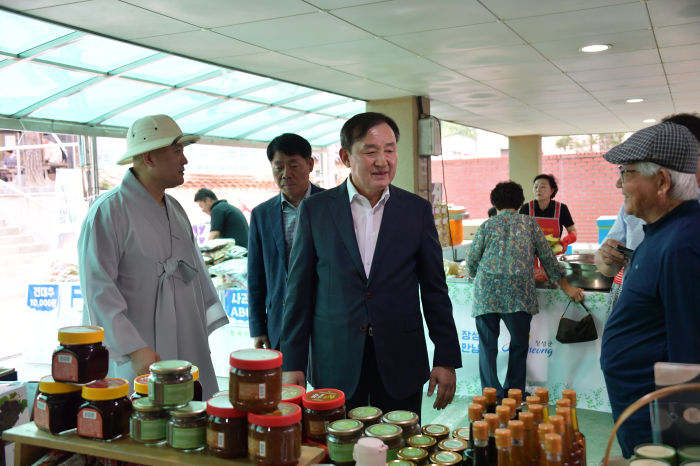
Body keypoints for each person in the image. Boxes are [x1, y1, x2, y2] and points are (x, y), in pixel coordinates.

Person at [280, 112, 462, 416]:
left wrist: (445, 357)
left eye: (390, 150)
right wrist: (293, 363)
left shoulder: (415, 211)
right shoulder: (316, 211)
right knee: (338, 450)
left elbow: (434, 290)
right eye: (370, 151)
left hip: (400, 358)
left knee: (399, 452)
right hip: (335, 360)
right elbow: (298, 293)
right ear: (345, 156)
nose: (382, 161)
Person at [78, 114, 228, 399]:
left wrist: (198, 328)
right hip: (138, 355)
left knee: (191, 421)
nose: (184, 161)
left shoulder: (176, 209)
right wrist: (133, 348)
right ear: (148, 158)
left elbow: (194, 273)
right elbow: (98, 290)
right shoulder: (108, 212)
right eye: (177, 152)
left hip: (185, 339)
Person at [599, 121, 700, 457]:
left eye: (627, 173)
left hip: (659, 424)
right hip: (639, 408)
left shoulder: (682, 244)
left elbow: (689, 352)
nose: (619, 183)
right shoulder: (661, 233)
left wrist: (682, 447)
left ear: (661, 182)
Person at [467, 181, 584, 399]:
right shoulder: (529, 224)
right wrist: (566, 287)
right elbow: (549, 259)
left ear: (495, 203)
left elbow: (472, 262)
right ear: (520, 203)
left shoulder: (487, 225)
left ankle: (491, 395)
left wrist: (477, 273)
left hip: (487, 294)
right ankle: (514, 395)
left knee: (487, 346)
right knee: (519, 345)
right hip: (519, 294)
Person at [595, 113, 700, 314]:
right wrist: (607, 257)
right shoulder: (639, 206)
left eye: (628, 172)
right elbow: (605, 263)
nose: (619, 184)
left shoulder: (686, 230)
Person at [247, 133, 323, 350]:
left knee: (325, 384)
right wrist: (258, 328)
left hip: (326, 319)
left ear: (309, 164)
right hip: (280, 322)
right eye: (278, 167)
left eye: (294, 165)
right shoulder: (262, 214)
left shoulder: (332, 206)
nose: (286, 174)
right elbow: (256, 276)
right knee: (286, 383)